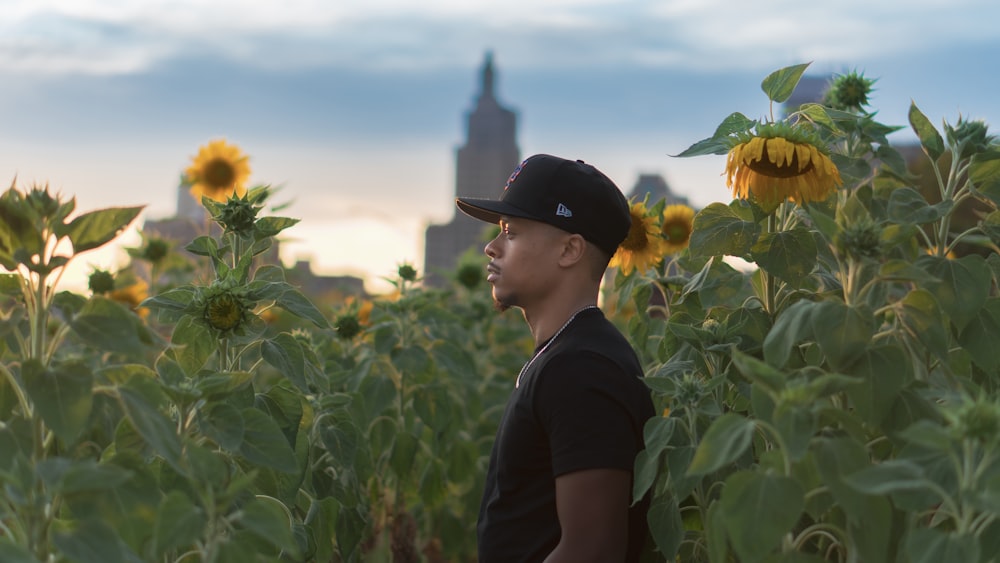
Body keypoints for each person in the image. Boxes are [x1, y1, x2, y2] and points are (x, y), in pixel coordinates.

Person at [456, 154, 656, 562]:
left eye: (511, 233)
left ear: (569, 249)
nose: (491, 248)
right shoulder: (565, 356)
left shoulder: (583, 369)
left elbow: (592, 550)